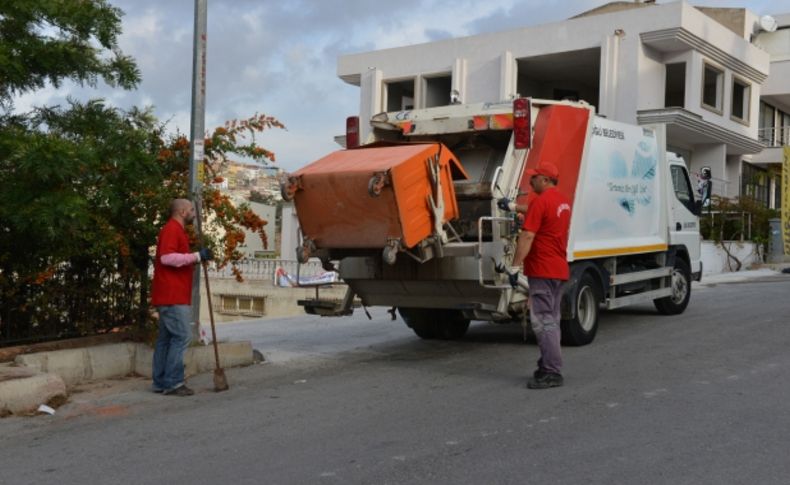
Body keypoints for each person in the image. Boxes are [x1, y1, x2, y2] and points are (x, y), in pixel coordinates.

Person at [510, 162, 571, 389]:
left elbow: (526, 237)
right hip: (558, 269)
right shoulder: (562, 202)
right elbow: (538, 210)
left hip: (542, 270)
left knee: (544, 322)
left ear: (545, 180)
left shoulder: (541, 202)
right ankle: (547, 364)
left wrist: (515, 267)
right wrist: (514, 206)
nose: (531, 181)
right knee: (551, 320)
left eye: (534, 177)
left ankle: (551, 371)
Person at [151, 198, 213, 396]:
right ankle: (174, 383)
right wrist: (196, 256)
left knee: (166, 339)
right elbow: (166, 258)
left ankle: (161, 381)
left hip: (170, 293)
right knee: (182, 337)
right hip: (173, 294)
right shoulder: (172, 229)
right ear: (183, 211)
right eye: (192, 210)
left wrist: (196, 258)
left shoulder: (176, 230)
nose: (194, 213)